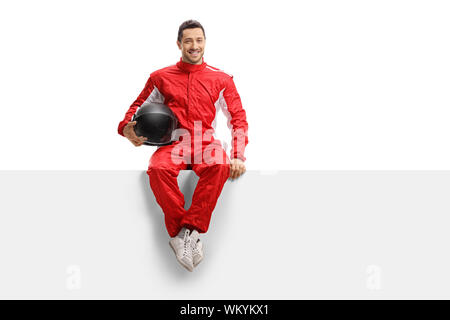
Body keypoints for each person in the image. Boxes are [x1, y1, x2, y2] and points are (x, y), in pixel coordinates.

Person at [117, 20, 249, 272]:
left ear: (205, 43)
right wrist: (126, 128)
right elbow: (135, 109)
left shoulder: (221, 79)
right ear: (179, 44)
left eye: (199, 40)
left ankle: (186, 234)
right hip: (173, 144)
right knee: (158, 170)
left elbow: (238, 118)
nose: (194, 45)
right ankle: (184, 236)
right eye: (188, 40)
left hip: (205, 142)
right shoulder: (160, 77)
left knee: (219, 164)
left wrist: (238, 155)